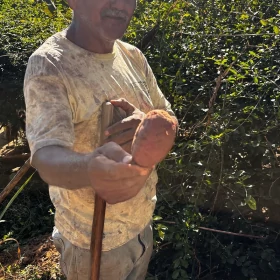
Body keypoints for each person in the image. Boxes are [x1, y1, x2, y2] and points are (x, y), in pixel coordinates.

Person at [23, 0, 177, 279]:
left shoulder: (132, 56)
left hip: (140, 225)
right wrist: (91, 169)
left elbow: (165, 114)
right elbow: (45, 156)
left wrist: (146, 122)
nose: (120, 5)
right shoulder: (50, 64)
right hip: (93, 243)